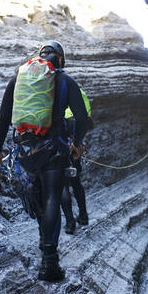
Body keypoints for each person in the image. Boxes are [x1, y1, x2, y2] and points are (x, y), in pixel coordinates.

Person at [0, 40, 88, 282]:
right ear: (61, 59)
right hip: (54, 150)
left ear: (40, 57)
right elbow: (82, 117)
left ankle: (45, 244)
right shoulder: (65, 80)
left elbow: (3, 116)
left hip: (24, 151)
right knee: (53, 196)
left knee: (38, 200)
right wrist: (76, 143)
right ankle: (49, 261)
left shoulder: (19, 79)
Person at [60, 89, 91, 235]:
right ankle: (83, 215)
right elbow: (86, 118)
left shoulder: (56, 89)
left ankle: (70, 222)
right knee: (75, 180)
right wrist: (78, 142)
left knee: (62, 184)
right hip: (75, 138)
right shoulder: (79, 92)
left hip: (62, 138)